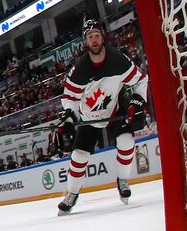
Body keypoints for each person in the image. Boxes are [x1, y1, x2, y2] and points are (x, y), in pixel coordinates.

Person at [53, 18, 149, 215]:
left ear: (102, 37)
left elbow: (141, 80)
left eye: (97, 35)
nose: (94, 39)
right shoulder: (79, 69)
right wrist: (70, 116)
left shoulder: (118, 60)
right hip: (89, 117)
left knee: (126, 142)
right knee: (79, 156)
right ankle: (71, 194)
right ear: (85, 42)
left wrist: (138, 101)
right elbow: (69, 98)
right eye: (90, 37)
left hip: (115, 109)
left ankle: (123, 180)